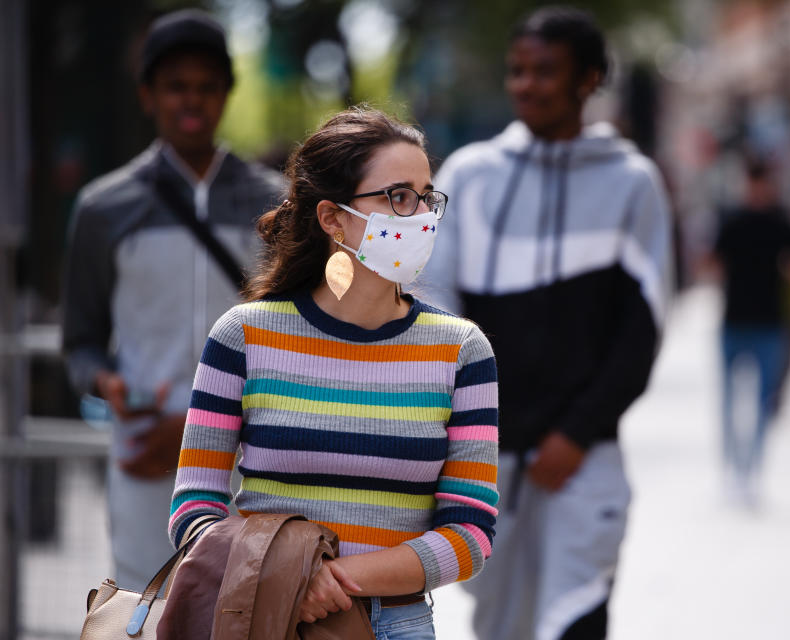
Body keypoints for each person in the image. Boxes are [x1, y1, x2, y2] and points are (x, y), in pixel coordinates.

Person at [167, 107, 499, 638]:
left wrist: (326, 580)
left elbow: (471, 532)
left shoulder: (462, 350)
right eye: (398, 196)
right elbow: (194, 508)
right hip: (260, 620)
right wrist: (283, 579)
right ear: (332, 218)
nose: (421, 214)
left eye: (427, 195)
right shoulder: (243, 337)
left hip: (399, 625)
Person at [420, 7, 672, 639]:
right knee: (499, 626)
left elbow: (643, 331)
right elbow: (437, 308)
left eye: (546, 71)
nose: (527, 84)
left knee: (575, 619)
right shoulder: (471, 177)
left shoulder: (633, 183)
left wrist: (576, 434)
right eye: (517, 71)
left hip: (586, 459)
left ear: (588, 79)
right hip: (487, 457)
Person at [61, 9, 283, 589]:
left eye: (208, 86)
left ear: (227, 93)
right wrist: (105, 384)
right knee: (143, 606)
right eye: (176, 86)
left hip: (255, 460)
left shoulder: (280, 206)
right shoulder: (103, 208)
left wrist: (193, 426)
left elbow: (298, 335)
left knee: (247, 608)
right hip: (143, 460)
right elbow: (81, 342)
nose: (193, 101)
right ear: (147, 95)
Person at [711, 158, 790, 507]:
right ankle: (734, 470)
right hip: (735, 321)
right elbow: (712, 262)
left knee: (763, 403)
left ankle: (751, 470)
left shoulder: (780, 221)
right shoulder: (733, 219)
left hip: (770, 323)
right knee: (729, 402)